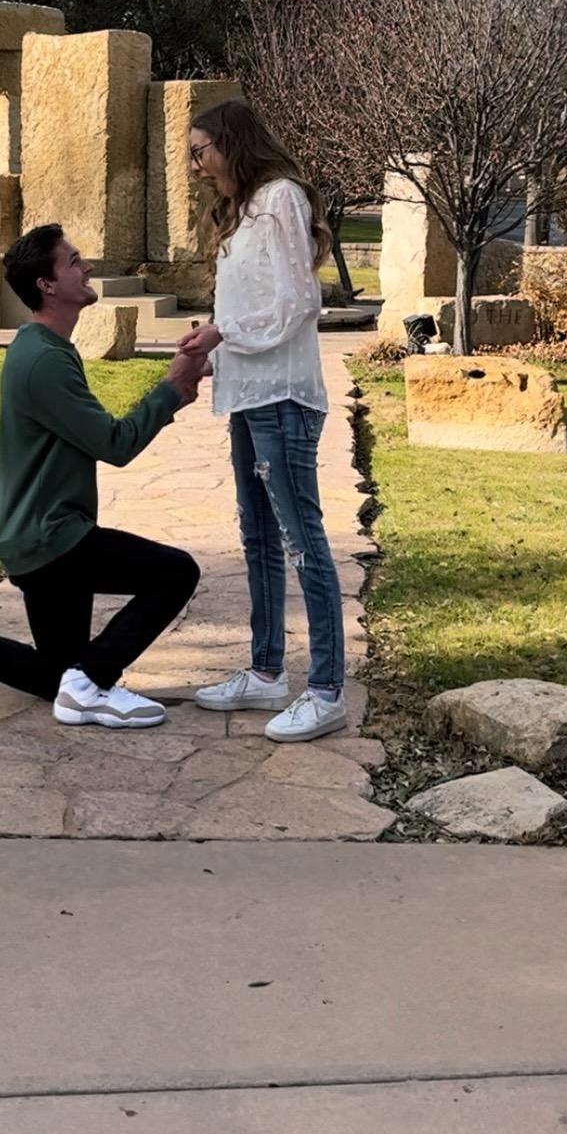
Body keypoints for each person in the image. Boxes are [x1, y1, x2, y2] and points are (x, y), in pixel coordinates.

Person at [0, 225, 204, 729]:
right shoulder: (42, 362)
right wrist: (172, 389)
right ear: (47, 285)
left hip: (36, 539)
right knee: (176, 572)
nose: (87, 267)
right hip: (53, 540)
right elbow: (115, 445)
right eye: (74, 261)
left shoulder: (44, 349)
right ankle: (94, 682)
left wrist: (174, 389)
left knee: (58, 676)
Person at [177, 98, 347, 743]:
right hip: (247, 395)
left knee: (303, 539)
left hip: (283, 398)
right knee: (257, 537)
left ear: (232, 143)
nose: (195, 166)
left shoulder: (281, 198)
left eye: (201, 151)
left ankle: (326, 688)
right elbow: (252, 307)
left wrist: (224, 331)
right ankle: (267, 670)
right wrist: (214, 342)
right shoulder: (242, 211)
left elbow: (298, 303)